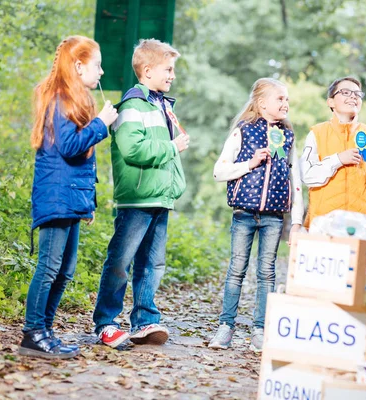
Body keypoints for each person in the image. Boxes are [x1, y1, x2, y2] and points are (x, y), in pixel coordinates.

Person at [21, 36, 118, 359]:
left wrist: (86, 203)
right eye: (97, 65)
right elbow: (70, 147)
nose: (101, 72)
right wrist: (101, 123)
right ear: (78, 66)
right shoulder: (59, 99)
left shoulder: (73, 100)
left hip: (70, 198)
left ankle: (45, 331)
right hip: (56, 197)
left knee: (65, 271)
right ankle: (33, 333)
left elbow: (80, 160)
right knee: (49, 268)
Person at [92, 39, 190, 348]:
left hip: (160, 197)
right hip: (137, 198)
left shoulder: (161, 105)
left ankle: (145, 321)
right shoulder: (133, 105)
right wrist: (172, 147)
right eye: (168, 69)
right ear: (147, 71)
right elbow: (133, 149)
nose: (172, 75)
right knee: (121, 260)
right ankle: (105, 322)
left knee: (152, 263)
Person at [209, 78, 304, 352]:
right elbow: (219, 171)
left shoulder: (288, 136)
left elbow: (295, 178)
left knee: (267, 273)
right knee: (236, 270)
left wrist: (296, 220)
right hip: (244, 213)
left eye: (287, 100)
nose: (286, 104)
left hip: (274, 217)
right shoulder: (243, 131)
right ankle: (226, 327)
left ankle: (260, 331)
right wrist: (249, 163)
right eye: (280, 99)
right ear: (262, 103)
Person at [300, 76, 366, 227]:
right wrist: (338, 159)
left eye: (358, 94)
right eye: (346, 92)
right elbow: (307, 175)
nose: (353, 96)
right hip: (323, 224)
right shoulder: (317, 133)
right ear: (331, 102)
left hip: (362, 224)